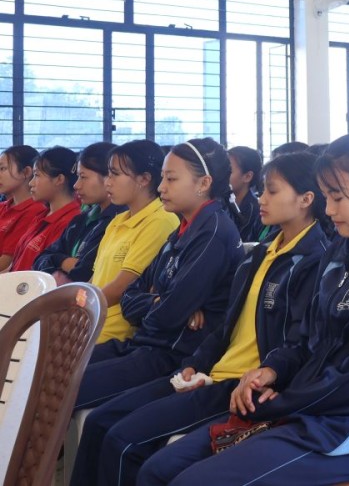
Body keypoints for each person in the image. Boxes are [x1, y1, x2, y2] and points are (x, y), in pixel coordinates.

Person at [137, 135, 349, 485]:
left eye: (338, 197)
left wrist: (285, 400)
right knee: (157, 470)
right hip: (304, 407)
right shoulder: (340, 250)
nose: (328, 210)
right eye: (328, 198)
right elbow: (305, 337)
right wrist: (270, 370)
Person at [70, 151, 328, 486]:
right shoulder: (262, 254)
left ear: (306, 200)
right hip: (201, 369)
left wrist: (167, 309)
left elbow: (295, 343)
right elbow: (223, 324)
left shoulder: (313, 261)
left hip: (234, 384)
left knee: (123, 440)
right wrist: (196, 362)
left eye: (272, 191)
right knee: (103, 422)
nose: (260, 198)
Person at [74, 138, 244, 412]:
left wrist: (160, 301)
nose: (162, 187)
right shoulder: (183, 228)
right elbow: (134, 295)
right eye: (163, 177)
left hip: (170, 354)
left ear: (203, 184)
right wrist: (155, 300)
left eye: (171, 179)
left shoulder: (212, 233)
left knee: (69, 388)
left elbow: (167, 315)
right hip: (144, 342)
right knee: (53, 367)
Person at [91, 140, 179, 344]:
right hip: (93, 321)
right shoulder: (118, 221)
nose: (107, 182)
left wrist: (78, 309)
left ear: (144, 179)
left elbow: (121, 287)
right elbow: (95, 281)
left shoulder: (160, 220)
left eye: (115, 174)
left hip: (117, 332)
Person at [34, 142, 125, 283]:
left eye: (83, 177)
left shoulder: (117, 220)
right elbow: (40, 259)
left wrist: (57, 260)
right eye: (77, 177)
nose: (76, 185)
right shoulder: (81, 219)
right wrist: (63, 261)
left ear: (108, 177)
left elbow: (83, 273)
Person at [9, 146, 81, 271]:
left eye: (37, 175)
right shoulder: (42, 215)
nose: (31, 183)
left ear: (59, 179)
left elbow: (47, 273)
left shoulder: (69, 222)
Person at [0, 145, 47, 272]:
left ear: (26, 172)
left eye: (2, 168)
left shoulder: (34, 211)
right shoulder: (3, 207)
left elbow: (6, 262)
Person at [227, 146, 262, 241]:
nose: (222, 175)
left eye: (229, 171)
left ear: (247, 176)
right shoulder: (220, 203)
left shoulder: (258, 211)